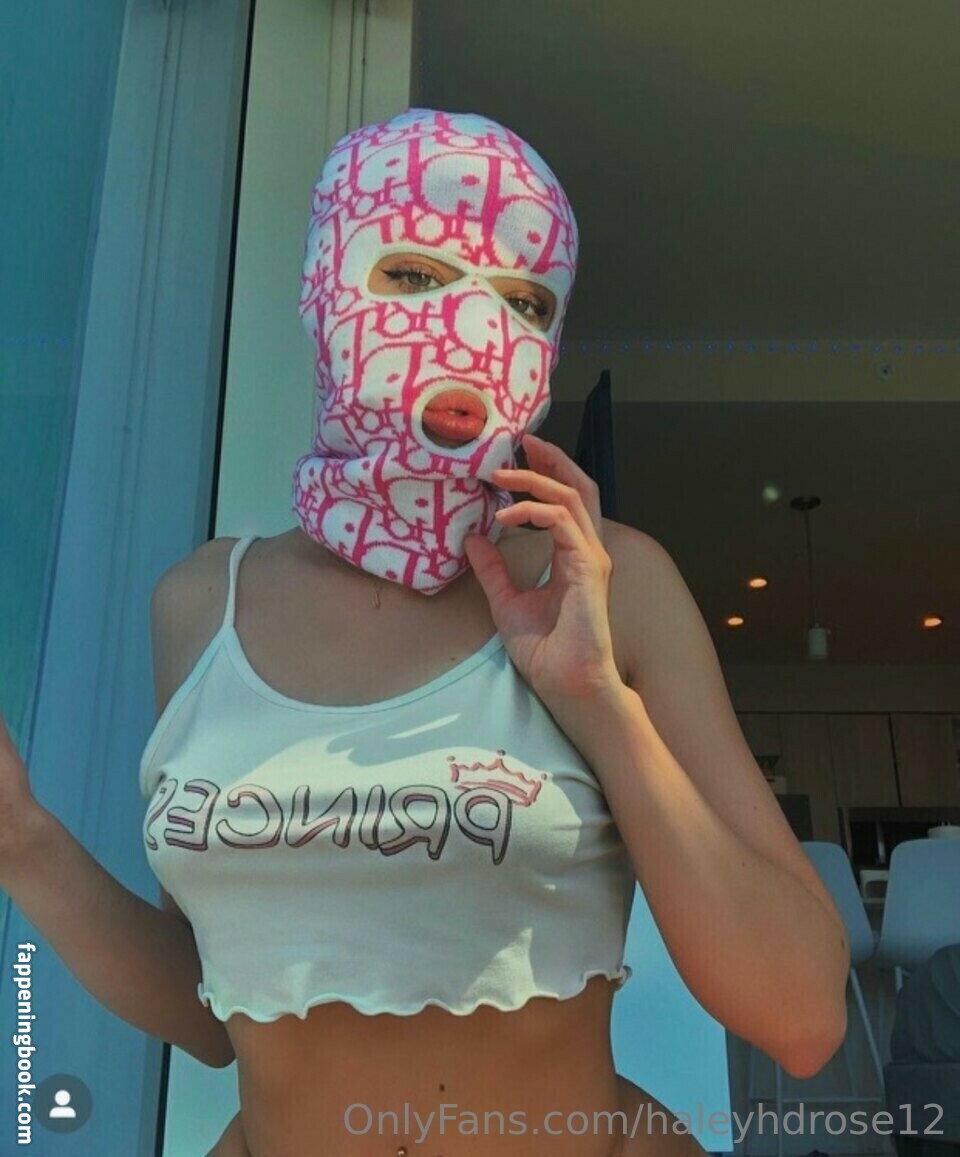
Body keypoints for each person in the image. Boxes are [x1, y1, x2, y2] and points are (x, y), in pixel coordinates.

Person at [0, 108, 852, 1157]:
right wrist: (21, 839)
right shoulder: (198, 603)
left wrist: (598, 701)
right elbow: (219, 1012)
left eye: (524, 300)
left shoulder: (609, 582)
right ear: (325, 286)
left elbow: (801, 1016)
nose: (473, 329)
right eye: (412, 274)